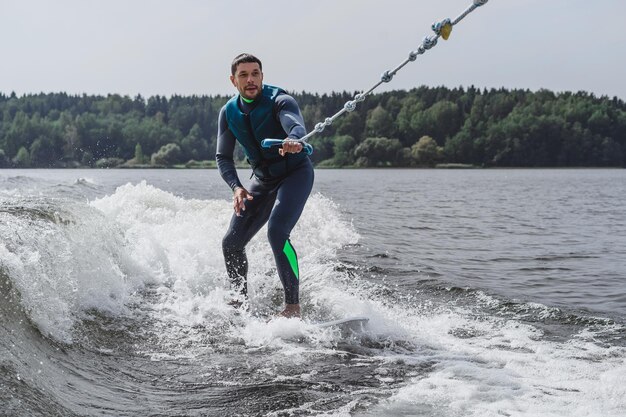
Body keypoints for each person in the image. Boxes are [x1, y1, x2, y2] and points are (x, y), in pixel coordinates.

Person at [216, 53, 314, 318]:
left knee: (277, 232)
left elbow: (295, 125)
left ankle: (293, 307)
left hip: (295, 173)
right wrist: (237, 187)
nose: (251, 80)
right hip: (262, 179)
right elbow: (223, 157)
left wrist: (294, 139)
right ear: (233, 80)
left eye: (255, 73)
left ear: (262, 75)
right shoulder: (228, 113)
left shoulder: (280, 101)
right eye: (244, 75)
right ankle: (240, 303)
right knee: (231, 243)